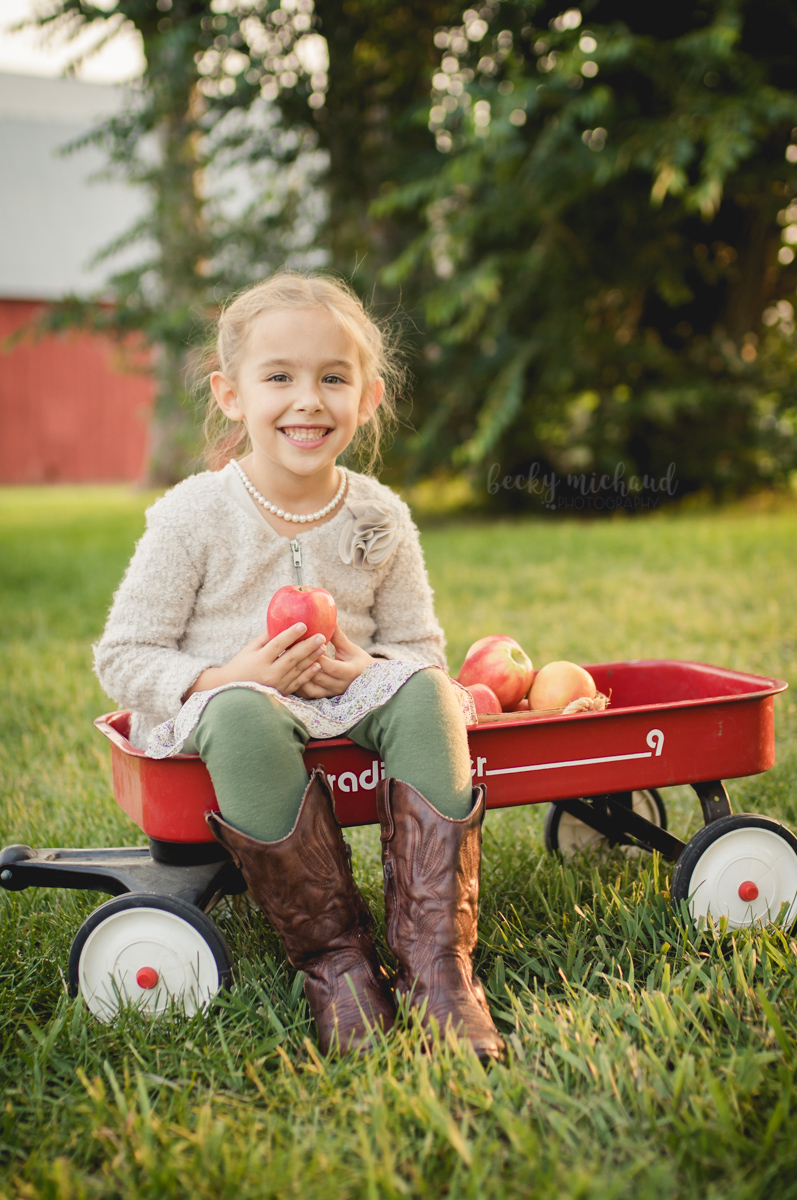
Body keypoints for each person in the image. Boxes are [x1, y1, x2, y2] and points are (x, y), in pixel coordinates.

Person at [95, 271, 505, 1061]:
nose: (307, 399)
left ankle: (437, 966)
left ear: (369, 397)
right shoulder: (194, 514)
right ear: (231, 394)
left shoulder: (379, 515)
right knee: (248, 713)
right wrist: (228, 674)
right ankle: (336, 963)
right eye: (279, 377)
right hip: (222, 703)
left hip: (344, 696)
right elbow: (124, 656)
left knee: (428, 695)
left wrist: (366, 666)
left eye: (332, 378)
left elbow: (419, 648)